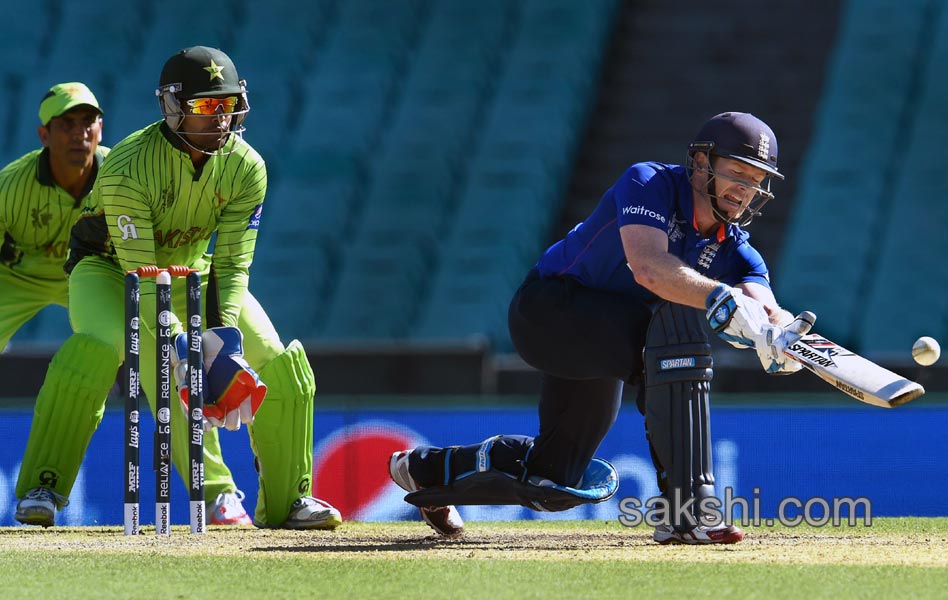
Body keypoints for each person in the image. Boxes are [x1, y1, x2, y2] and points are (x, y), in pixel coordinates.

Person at [388, 112, 812, 543]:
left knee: (553, 481)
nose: (746, 188)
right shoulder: (649, 183)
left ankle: (423, 469)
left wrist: (778, 334)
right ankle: (688, 512)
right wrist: (722, 297)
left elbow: (765, 303)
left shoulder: (736, 247)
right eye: (737, 171)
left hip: (608, 338)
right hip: (551, 311)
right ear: (701, 163)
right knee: (675, 334)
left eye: (757, 178)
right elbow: (649, 268)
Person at [16, 47, 342, 530]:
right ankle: (45, 485)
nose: (221, 119)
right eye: (208, 107)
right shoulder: (128, 166)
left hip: (196, 270)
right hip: (110, 271)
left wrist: (225, 345)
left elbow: (232, 264)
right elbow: (143, 281)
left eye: (228, 105)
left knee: (277, 360)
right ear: (173, 108)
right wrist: (189, 349)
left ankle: (291, 500)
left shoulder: (247, 167)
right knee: (104, 349)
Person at [7, 82, 254, 528]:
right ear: (45, 135)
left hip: (111, 271)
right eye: (67, 124)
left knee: (170, 366)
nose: (80, 132)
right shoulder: (12, 187)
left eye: (88, 121)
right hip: (18, 277)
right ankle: (43, 484)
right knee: (94, 354)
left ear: (101, 128)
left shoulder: (121, 167)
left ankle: (217, 493)